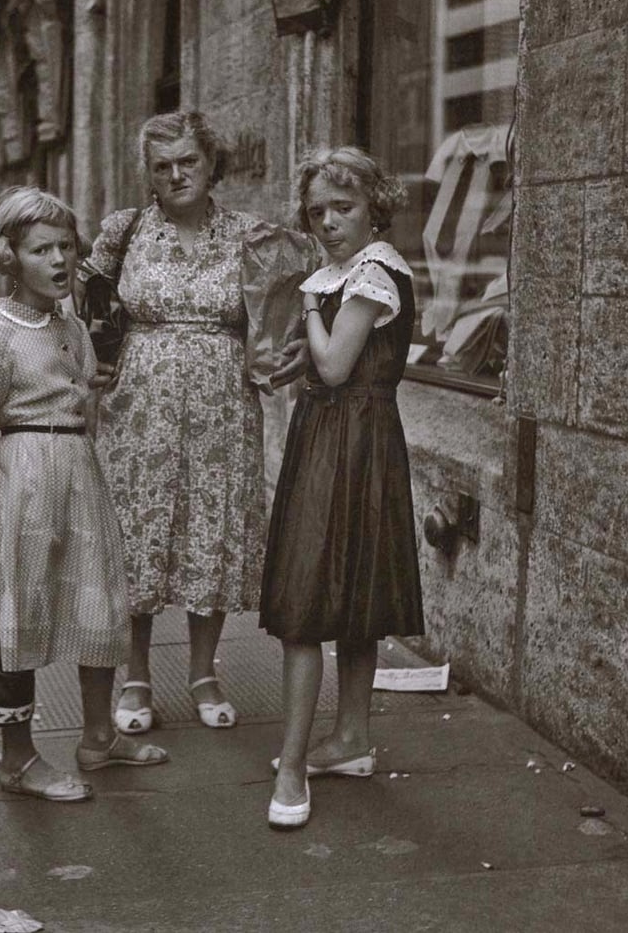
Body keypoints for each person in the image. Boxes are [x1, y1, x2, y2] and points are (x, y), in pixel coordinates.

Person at [0, 186, 168, 802]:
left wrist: (93, 389)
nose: (59, 261)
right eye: (41, 249)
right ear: (9, 257)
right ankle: (17, 760)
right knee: (18, 613)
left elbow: (79, 404)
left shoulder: (70, 324)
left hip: (78, 470)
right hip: (22, 479)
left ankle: (99, 738)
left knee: (99, 602)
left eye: (66, 247)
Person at [83, 110, 267, 734]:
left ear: (213, 163)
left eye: (188, 161)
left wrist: (278, 356)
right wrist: (93, 361)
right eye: (162, 167)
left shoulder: (250, 236)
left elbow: (284, 313)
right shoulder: (125, 230)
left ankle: (202, 671)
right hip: (139, 410)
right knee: (137, 535)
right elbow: (86, 300)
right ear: (149, 177)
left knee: (208, 533)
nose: (176, 174)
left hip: (223, 409)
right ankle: (135, 678)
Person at [261, 146, 425, 831]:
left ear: (374, 207)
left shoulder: (375, 272)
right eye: (317, 210)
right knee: (353, 598)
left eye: (343, 207)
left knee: (305, 604)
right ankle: (351, 739)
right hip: (341, 437)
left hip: (350, 440)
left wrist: (306, 306)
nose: (328, 221)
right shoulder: (345, 274)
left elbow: (333, 366)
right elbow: (315, 361)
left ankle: (295, 767)